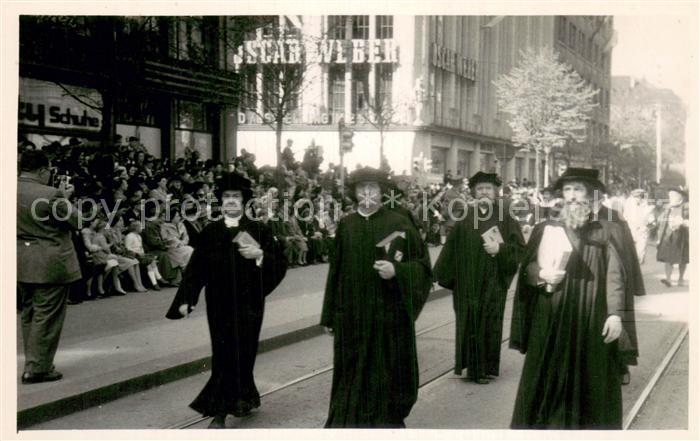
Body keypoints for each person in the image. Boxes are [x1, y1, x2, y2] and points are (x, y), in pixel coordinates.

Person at [509, 168, 641, 429]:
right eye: (567, 190)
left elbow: (617, 275)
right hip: (552, 314)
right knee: (547, 379)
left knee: (591, 380)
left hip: (592, 315)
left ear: (592, 194)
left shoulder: (610, 226)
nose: (571, 196)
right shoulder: (547, 224)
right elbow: (528, 269)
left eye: (578, 189)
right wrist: (541, 273)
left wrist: (615, 314)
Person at [166, 172, 287, 429]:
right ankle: (219, 412)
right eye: (226, 197)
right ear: (220, 202)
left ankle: (244, 397)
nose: (231, 201)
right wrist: (187, 299)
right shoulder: (210, 232)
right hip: (219, 303)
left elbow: (280, 263)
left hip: (250, 302)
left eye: (236, 196)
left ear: (244, 201)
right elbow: (196, 269)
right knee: (223, 354)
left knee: (244, 352)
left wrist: (260, 255)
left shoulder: (258, 230)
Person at [320, 167, 432, 428]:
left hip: (387, 316)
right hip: (352, 317)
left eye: (373, 188)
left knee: (385, 373)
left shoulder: (399, 223)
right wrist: (329, 315)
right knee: (351, 372)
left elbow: (424, 268)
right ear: (355, 193)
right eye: (362, 189)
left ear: (383, 192)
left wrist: (398, 271)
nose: (367, 193)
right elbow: (335, 273)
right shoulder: (347, 226)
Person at [433, 171, 525, 384]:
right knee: (470, 322)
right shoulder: (465, 217)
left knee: (489, 322)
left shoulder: (505, 217)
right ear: (474, 192)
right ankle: (474, 369)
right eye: (480, 189)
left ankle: (487, 368)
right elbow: (451, 249)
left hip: (493, 281)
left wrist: (499, 250)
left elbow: (520, 249)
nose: (484, 192)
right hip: (468, 282)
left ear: (495, 192)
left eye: (488, 188)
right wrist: (438, 275)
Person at [17, 150, 81, 384]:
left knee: (29, 313)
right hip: (49, 262)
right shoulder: (51, 194)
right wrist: (65, 197)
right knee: (47, 315)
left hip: (20, 261)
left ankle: (32, 362)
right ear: (43, 170)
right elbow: (77, 220)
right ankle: (38, 368)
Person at [656, 187, 689, 287]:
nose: (670, 198)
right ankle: (668, 279)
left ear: (680, 198)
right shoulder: (667, 207)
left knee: (682, 259)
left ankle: (681, 278)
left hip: (682, 237)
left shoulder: (687, 207)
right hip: (668, 236)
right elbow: (660, 222)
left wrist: (683, 222)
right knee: (668, 258)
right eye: (670, 196)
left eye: (673, 196)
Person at [623, 189, 656, 264]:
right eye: (636, 197)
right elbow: (625, 218)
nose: (637, 199)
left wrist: (646, 228)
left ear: (642, 197)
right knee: (630, 253)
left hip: (642, 232)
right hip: (630, 231)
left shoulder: (648, 208)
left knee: (640, 253)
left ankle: (638, 267)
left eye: (639, 197)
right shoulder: (629, 206)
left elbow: (652, 221)